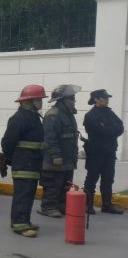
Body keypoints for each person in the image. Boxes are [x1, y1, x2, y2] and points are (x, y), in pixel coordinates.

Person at [1, 85, 47, 237]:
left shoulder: (32, 116)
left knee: (28, 193)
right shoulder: (19, 118)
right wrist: (10, 158)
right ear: (28, 101)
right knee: (23, 194)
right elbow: (8, 142)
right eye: (39, 99)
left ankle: (23, 221)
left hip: (32, 162)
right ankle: (20, 225)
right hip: (24, 163)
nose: (41, 102)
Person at [39, 84, 81, 218]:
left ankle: (61, 205)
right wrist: (56, 155)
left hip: (67, 158)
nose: (74, 100)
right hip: (55, 159)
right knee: (53, 184)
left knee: (65, 184)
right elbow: (49, 138)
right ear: (62, 100)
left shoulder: (68, 114)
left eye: (73, 98)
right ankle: (48, 207)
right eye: (71, 98)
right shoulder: (53, 115)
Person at [83, 89, 124, 215]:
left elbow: (120, 127)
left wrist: (108, 130)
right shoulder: (90, 116)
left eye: (107, 98)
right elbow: (100, 132)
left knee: (108, 178)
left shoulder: (109, 112)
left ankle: (107, 204)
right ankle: (87, 205)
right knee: (92, 178)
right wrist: (110, 131)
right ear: (96, 99)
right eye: (104, 98)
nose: (107, 100)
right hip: (96, 152)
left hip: (109, 151)